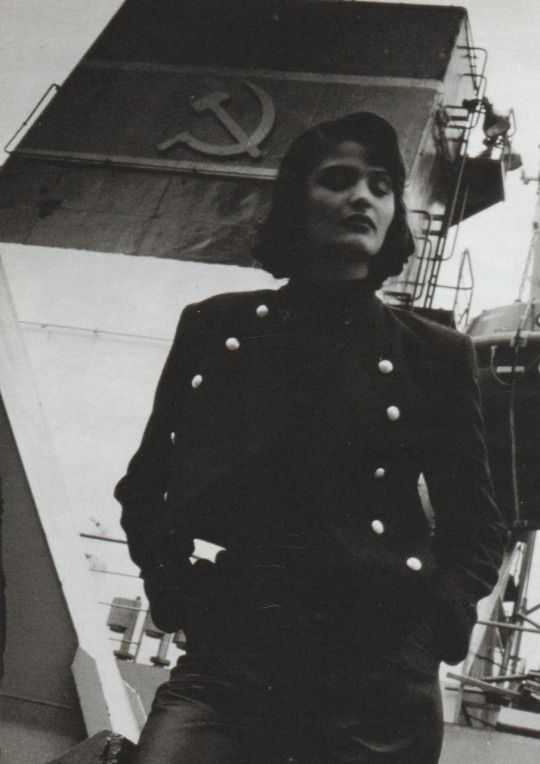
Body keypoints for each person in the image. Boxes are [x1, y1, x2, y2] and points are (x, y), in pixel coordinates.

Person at [115, 112, 507, 763]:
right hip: (235, 661)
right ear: (299, 200)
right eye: (339, 180)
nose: (363, 198)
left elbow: (475, 523)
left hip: (376, 676)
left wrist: (432, 631)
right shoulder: (219, 327)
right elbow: (147, 483)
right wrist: (174, 591)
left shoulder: (433, 355)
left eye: (381, 185)